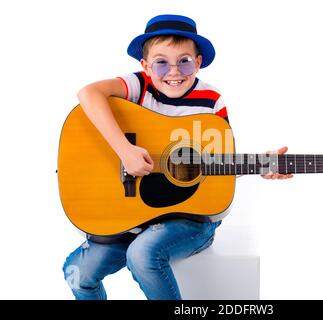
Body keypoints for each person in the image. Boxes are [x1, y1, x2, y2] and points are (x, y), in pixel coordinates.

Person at [62, 14, 293, 300]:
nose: (174, 71)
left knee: (143, 253)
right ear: (146, 66)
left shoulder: (211, 102)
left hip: (191, 220)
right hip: (131, 218)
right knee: (77, 271)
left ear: (198, 62)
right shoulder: (138, 86)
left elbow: (215, 164)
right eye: (161, 62)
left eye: (184, 61)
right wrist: (125, 150)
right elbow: (88, 94)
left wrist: (262, 163)